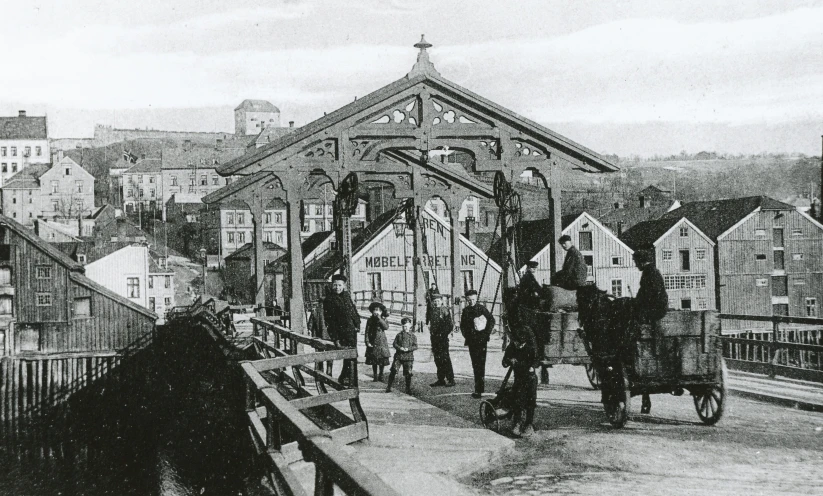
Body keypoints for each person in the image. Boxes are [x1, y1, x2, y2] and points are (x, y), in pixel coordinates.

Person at [631, 248, 669, 414]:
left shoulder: (648, 273)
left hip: (654, 311)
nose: (635, 265)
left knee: (631, 324)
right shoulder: (654, 271)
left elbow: (645, 295)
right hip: (660, 308)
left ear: (640, 261)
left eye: (635, 262)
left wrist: (635, 304)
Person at [502, 307, 538, 438]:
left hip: (530, 377)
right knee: (518, 400)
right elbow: (504, 362)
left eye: (520, 343)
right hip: (519, 377)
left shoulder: (530, 346)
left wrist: (532, 366)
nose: (518, 345)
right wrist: (510, 360)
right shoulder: (512, 347)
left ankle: (529, 424)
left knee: (531, 401)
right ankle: (517, 423)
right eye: (516, 342)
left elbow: (536, 359)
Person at [322, 274, 361, 385]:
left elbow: (353, 311)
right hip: (340, 333)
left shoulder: (347, 296)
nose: (337, 288)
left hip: (351, 332)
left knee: (353, 357)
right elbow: (329, 321)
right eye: (335, 285)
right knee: (348, 356)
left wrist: (357, 323)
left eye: (339, 285)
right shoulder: (329, 300)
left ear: (344, 285)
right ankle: (346, 379)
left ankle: (349, 379)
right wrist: (336, 339)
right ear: (331, 285)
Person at [460, 289, 495, 398]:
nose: (471, 302)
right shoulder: (465, 311)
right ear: (466, 300)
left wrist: (486, 334)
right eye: (469, 300)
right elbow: (462, 326)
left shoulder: (481, 308)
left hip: (481, 341)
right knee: (475, 365)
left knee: (481, 364)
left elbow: (492, 320)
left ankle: (479, 389)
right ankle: (478, 389)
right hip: (471, 341)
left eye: (473, 299)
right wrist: (466, 335)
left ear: (476, 298)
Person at [428, 293, 455, 387]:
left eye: (438, 301)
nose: (436, 303)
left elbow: (450, 325)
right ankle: (441, 379)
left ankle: (451, 379)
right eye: (434, 301)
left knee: (445, 358)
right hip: (434, 338)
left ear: (441, 301)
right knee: (437, 359)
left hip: (442, 338)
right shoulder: (432, 310)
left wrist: (443, 334)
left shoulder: (444, 310)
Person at [386, 317, 418, 394]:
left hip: (408, 357)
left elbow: (415, 346)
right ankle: (388, 387)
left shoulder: (413, 336)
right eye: (403, 326)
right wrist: (400, 348)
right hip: (399, 356)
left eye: (406, 326)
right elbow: (394, 344)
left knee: (408, 373)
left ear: (410, 326)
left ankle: (408, 388)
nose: (405, 328)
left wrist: (408, 349)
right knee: (393, 370)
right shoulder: (399, 335)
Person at [364, 302, 391, 382]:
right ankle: (375, 375)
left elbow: (386, 327)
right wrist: (367, 341)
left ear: (382, 312)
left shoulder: (383, 319)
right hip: (373, 342)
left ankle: (381, 374)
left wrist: (379, 318)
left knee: (382, 360)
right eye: (375, 310)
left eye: (379, 310)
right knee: (374, 360)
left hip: (382, 342)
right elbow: (367, 332)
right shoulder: (370, 320)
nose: (377, 312)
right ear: (372, 311)